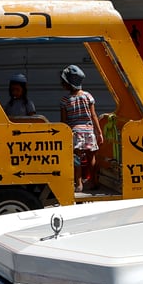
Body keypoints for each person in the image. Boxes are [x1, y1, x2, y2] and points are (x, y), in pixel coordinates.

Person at [60, 63, 103, 192]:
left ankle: (78, 184)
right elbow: (94, 115)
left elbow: (64, 121)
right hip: (89, 131)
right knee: (91, 158)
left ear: (68, 83)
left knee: (77, 159)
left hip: (75, 133)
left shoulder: (65, 100)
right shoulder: (88, 96)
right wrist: (99, 132)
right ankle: (94, 181)